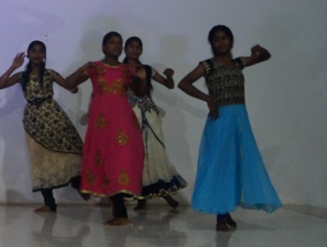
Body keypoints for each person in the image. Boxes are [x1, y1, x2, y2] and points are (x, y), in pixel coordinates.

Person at [178, 25, 280, 231]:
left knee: (235, 163)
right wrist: (208, 99)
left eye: (225, 38)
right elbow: (184, 83)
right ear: (212, 43)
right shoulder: (208, 65)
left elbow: (265, 57)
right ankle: (221, 215)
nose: (221, 42)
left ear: (231, 41)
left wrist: (258, 49)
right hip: (222, 120)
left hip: (240, 119)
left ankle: (226, 211)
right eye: (217, 39)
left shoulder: (237, 63)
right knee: (221, 164)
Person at [0, 41, 82, 213]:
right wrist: (13, 67)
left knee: (69, 151)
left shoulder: (50, 74)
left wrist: (76, 84)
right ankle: (49, 203)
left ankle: (78, 183)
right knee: (40, 161)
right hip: (34, 121)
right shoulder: (22, 76)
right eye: (33, 51)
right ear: (28, 54)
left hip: (54, 117)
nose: (37, 54)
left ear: (44, 55)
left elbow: (68, 85)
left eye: (40, 51)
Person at [67, 31, 144, 226]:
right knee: (104, 160)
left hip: (123, 121)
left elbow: (139, 93)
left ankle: (121, 213)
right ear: (103, 47)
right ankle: (118, 210)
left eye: (119, 43)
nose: (116, 46)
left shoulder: (126, 70)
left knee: (120, 162)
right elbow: (69, 84)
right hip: (101, 124)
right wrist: (82, 68)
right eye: (112, 42)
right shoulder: (95, 68)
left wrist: (140, 78)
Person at [123, 36, 187, 210]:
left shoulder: (147, 69)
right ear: (125, 49)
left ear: (141, 50)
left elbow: (169, 85)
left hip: (150, 114)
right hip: (130, 115)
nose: (135, 50)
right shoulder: (120, 70)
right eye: (131, 46)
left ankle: (159, 194)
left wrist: (169, 76)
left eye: (138, 47)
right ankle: (142, 196)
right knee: (136, 154)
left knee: (154, 152)